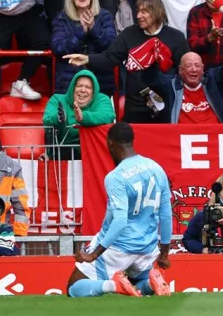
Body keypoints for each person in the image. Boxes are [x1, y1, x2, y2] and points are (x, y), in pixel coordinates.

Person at [67, 122, 172, 298]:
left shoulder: (116, 177)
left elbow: (120, 221)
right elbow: (166, 214)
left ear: (110, 143)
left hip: (118, 247)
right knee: (137, 284)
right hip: (147, 247)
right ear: (132, 141)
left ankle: (114, 285)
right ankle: (149, 284)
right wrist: (164, 253)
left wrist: (94, 254)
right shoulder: (156, 168)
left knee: (73, 288)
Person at [63, 0, 189, 123]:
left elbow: (184, 70)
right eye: (138, 11)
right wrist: (87, 59)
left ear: (157, 12)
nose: (138, 16)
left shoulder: (176, 37)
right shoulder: (129, 34)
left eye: (144, 12)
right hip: (135, 106)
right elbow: (110, 57)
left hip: (167, 106)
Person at [51, 0, 117, 95]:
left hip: (100, 81)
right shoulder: (62, 18)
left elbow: (111, 46)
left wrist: (93, 28)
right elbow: (58, 48)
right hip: (69, 82)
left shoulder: (104, 16)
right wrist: (81, 31)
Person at [144, 48, 223, 124]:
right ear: (180, 70)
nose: (193, 69)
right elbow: (152, 79)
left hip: (215, 140)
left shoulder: (214, 81)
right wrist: (151, 57)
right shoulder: (171, 85)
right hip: (182, 142)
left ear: (203, 68)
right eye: (188, 66)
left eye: (197, 65)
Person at [43, 69, 116, 160]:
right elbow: (47, 119)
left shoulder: (102, 99)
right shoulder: (57, 99)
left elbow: (107, 116)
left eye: (88, 87)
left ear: (94, 91)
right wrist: (59, 118)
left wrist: (83, 117)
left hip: (94, 153)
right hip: (62, 153)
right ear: (72, 88)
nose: (83, 90)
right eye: (79, 86)